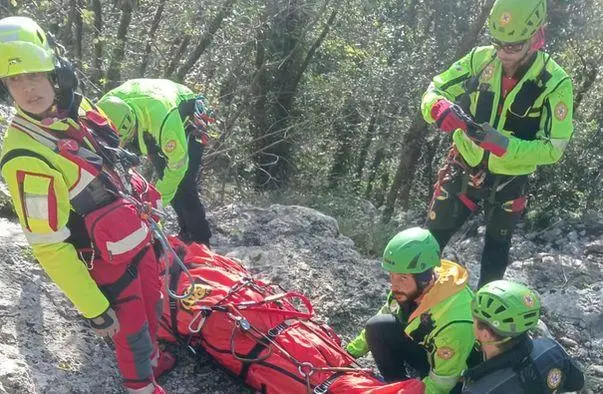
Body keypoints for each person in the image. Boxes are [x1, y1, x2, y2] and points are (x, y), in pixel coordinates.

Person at [0, 17, 174, 394]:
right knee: (133, 333)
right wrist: (94, 308)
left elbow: (114, 160)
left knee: (154, 307)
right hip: (106, 260)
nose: (28, 89)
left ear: (55, 72)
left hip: (137, 235)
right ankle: (142, 386)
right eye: (15, 80)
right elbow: (48, 245)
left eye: (35, 74)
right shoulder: (25, 156)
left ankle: (156, 362)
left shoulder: (75, 111)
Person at [421, 0, 574, 287]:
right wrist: (437, 107)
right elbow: (436, 87)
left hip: (510, 178)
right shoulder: (481, 60)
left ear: (537, 38)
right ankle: (410, 310)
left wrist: (505, 146)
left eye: (513, 47)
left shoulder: (555, 83)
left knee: (495, 253)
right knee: (431, 240)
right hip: (464, 163)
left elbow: (554, 148)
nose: (503, 53)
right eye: (498, 43)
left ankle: (487, 323)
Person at [346, 227, 476, 394]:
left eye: (402, 278)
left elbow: (443, 384)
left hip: (454, 374)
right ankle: (397, 383)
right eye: (391, 275)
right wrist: (348, 354)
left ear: (424, 278)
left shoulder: (454, 320)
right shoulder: (409, 290)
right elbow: (386, 313)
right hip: (428, 350)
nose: (394, 285)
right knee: (377, 327)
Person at [97, 79, 214, 247]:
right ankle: (185, 232)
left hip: (187, 117)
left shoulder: (164, 122)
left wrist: (154, 205)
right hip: (149, 117)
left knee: (184, 183)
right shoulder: (104, 109)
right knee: (163, 176)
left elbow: (177, 169)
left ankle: (201, 240)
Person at [462, 280, 585, 393]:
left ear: (486, 334)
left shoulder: (478, 389)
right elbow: (577, 383)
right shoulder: (552, 349)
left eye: (474, 320)